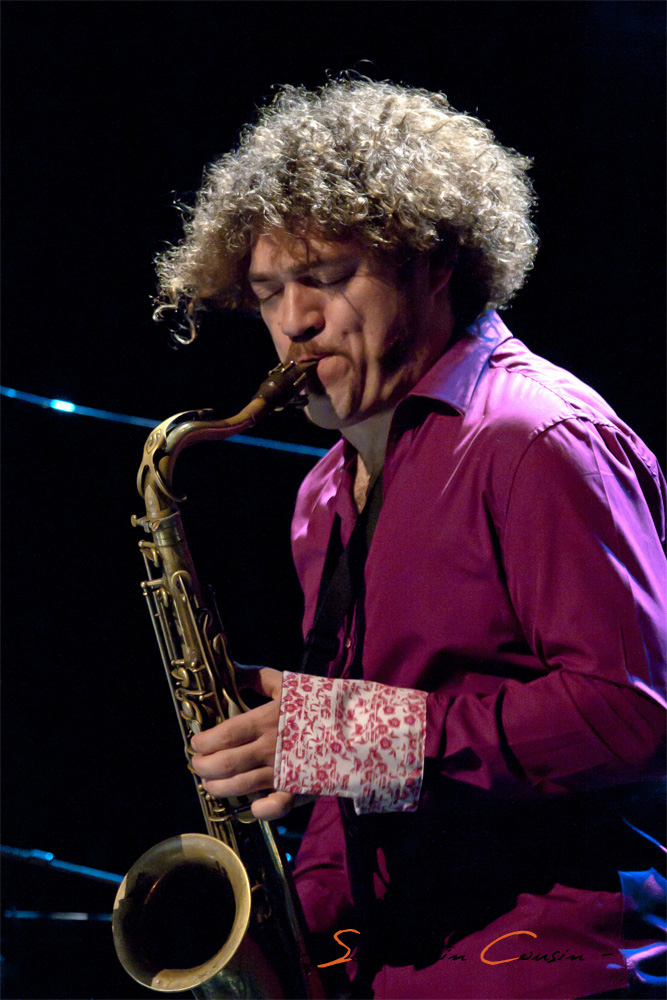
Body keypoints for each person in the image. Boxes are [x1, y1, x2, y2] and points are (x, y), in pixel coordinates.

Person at [156, 80, 666, 999]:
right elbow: (349, 782)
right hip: (391, 966)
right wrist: (294, 934)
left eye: (326, 278)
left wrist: (356, 739)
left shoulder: (535, 439)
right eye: (268, 293)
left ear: (433, 263)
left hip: (552, 970)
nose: (294, 323)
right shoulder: (323, 493)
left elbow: (630, 717)